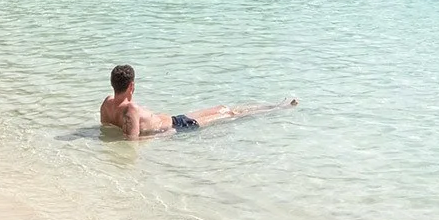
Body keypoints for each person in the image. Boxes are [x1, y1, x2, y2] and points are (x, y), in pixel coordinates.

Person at [99, 65, 296, 141]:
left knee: (223, 109)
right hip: (179, 126)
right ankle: (278, 107)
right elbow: (132, 141)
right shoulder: (130, 109)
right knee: (229, 113)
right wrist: (166, 134)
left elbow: (107, 127)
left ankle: (276, 106)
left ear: (113, 83)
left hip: (177, 120)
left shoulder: (107, 103)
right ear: (132, 86)